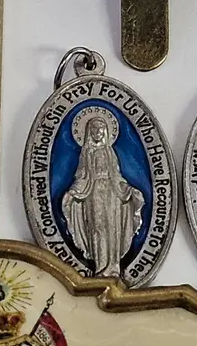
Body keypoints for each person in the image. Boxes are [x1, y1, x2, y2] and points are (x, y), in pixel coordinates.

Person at [61, 115, 144, 278]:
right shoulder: (86, 153)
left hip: (112, 194)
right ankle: (101, 266)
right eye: (94, 128)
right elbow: (82, 176)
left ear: (106, 132)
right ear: (89, 131)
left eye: (101, 129)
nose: (98, 132)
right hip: (93, 193)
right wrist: (73, 191)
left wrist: (128, 189)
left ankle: (113, 267)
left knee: (112, 228)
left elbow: (116, 176)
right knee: (97, 228)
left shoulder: (109, 152)